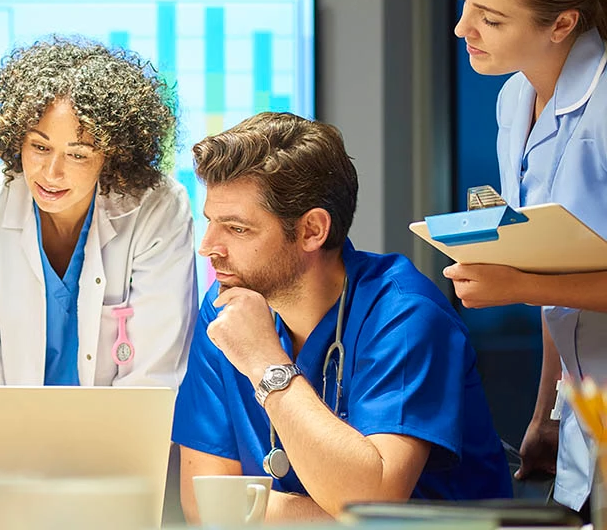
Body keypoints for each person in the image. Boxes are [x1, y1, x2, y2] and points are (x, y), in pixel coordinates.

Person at [174, 112, 512, 523]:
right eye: (210, 222)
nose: (208, 246)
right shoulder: (225, 309)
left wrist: (266, 363)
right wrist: (334, 515)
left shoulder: (405, 315)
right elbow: (203, 505)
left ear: (312, 230)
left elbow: (372, 504)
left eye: (237, 229)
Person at [447, 0, 607, 518]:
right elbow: (550, 255)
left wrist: (515, 284)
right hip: (583, 413)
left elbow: (539, 278)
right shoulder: (515, 99)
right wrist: (547, 414)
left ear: (562, 22)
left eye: (489, 18)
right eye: (466, 5)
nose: (463, 29)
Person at [0, 38, 197, 387]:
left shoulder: (157, 208)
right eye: (39, 147)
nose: (51, 173)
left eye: (78, 154)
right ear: (16, 139)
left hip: (117, 436)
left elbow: (153, 375)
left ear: (113, 155)